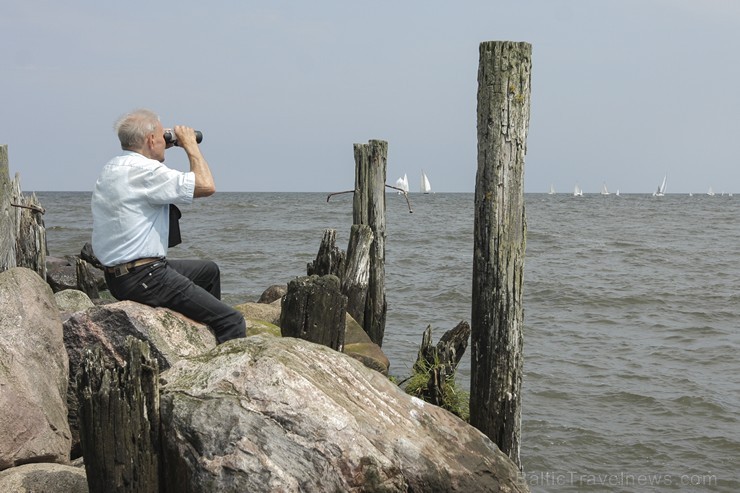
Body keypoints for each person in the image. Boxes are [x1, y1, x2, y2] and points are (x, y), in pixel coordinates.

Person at [91, 108, 246, 344]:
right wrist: (190, 145)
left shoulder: (112, 168)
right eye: (163, 136)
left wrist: (161, 147)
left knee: (208, 271)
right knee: (232, 320)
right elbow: (206, 185)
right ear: (151, 139)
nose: (167, 141)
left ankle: (203, 334)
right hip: (146, 278)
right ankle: (223, 368)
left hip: (120, 278)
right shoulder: (146, 171)